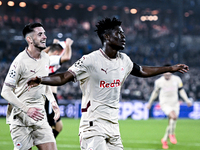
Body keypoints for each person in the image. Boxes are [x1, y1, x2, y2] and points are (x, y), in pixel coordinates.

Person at [27, 17, 189, 150]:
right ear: (107, 37)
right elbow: (64, 77)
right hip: (93, 126)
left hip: (113, 126)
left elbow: (142, 71)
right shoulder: (90, 60)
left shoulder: (124, 60)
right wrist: (41, 79)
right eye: (119, 33)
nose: (123, 36)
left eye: (123, 33)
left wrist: (170, 68)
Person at [1, 22, 60, 150]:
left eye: (44, 33)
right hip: (21, 118)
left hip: (40, 116)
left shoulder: (46, 58)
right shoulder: (20, 61)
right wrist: (27, 109)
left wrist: (53, 102)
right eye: (40, 34)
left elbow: (44, 83)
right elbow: (5, 91)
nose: (45, 37)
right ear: (30, 39)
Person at [147, 64, 192, 149]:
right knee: (173, 117)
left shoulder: (177, 79)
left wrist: (187, 100)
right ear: (163, 73)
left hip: (175, 103)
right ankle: (172, 134)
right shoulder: (159, 82)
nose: (167, 76)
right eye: (166, 74)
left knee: (172, 122)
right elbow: (155, 93)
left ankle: (164, 140)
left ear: (171, 73)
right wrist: (150, 102)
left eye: (169, 74)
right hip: (165, 103)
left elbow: (181, 91)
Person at [43, 38, 73, 138]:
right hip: (47, 97)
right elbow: (67, 57)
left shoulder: (46, 58)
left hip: (52, 96)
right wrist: (68, 45)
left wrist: (53, 44)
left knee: (58, 126)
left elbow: (44, 52)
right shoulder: (50, 59)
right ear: (56, 53)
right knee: (50, 126)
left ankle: (46, 146)